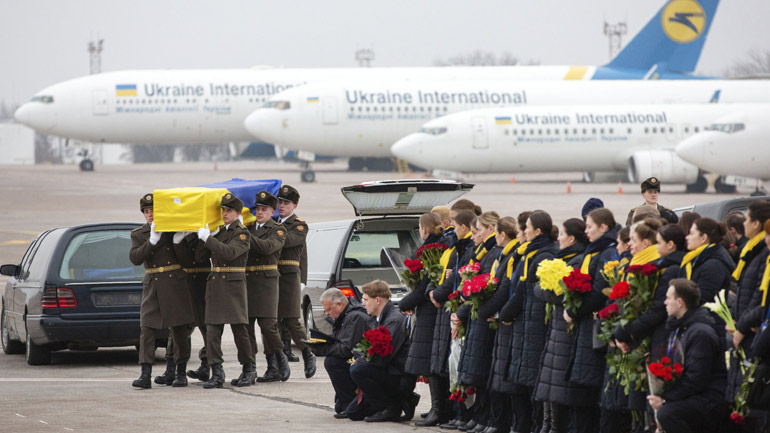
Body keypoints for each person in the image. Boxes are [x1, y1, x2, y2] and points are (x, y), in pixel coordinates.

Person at [601, 218, 663, 432]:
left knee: (644, 407)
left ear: (646, 243)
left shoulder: (652, 266)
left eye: (633, 240)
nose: (629, 245)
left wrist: (625, 334)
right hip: (631, 338)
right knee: (634, 407)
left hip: (642, 342)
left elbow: (648, 309)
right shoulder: (636, 265)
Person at [129, 193, 196, 389]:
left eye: (153, 211)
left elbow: (186, 260)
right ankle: (145, 374)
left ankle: (180, 372)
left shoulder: (170, 230)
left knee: (178, 330)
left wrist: (178, 241)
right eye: (146, 212)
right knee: (147, 329)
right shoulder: (139, 234)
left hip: (174, 282)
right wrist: (151, 241)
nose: (150, 215)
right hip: (152, 283)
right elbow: (135, 258)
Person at [500, 210, 558, 433]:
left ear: (538, 230)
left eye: (527, 227)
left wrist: (504, 314)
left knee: (531, 385)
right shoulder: (530, 253)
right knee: (520, 384)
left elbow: (525, 292)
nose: (523, 231)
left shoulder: (543, 255)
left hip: (533, 325)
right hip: (525, 324)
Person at [564, 208, 620, 433]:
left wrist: (573, 311)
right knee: (581, 389)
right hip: (586, 327)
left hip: (594, 326)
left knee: (587, 390)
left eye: (589, 226)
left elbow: (598, 292)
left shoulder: (606, 252)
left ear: (603, 227)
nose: (586, 231)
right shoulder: (593, 250)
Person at [647, 279, 728, 433]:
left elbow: (697, 378)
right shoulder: (681, 328)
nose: (665, 302)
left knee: (667, 413)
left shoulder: (700, 333)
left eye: (668, 298)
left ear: (680, 302)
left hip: (710, 398)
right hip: (696, 394)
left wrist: (665, 399)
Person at [534, 217, 589, 433]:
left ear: (572, 238)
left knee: (557, 384)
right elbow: (541, 289)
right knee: (549, 381)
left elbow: (559, 294)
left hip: (565, 330)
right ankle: (548, 426)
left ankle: (554, 427)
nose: (559, 238)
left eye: (563, 234)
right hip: (557, 328)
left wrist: (543, 290)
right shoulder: (564, 258)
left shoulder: (576, 260)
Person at [194, 193, 252, 389]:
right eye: (223, 210)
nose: (225, 214)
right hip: (216, 285)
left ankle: (248, 369)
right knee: (212, 331)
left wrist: (209, 239)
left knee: (240, 331)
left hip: (233, 286)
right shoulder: (220, 233)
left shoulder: (242, 233)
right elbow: (200, 256)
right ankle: (216, 372)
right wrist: (203, 237)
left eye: (229, 211)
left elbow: (230, 253)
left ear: (237, 213)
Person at [428, 209, 476, 430]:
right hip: (455, 311)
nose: (452, 229)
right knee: (453, 364)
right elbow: (445, 275)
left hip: (460, 313)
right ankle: (458, 413)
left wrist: (438, 295)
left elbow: (461, 281)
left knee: (459, 365)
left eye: (456, 226)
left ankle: (464, 413)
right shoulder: (459, 248)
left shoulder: (467, 250)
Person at [455, 211, 502, 431]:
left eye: (478, 231)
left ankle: (485, 417)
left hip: (484, 319)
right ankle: (480, 415)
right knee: (479, 372)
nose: (474, 236)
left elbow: (491, 288)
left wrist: (467, 307)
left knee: (484, 372)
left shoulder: (492, 254)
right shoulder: (484, 252)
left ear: (491, 230)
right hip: (478, 317)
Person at [615, 223, 687, 358]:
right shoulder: (662, 265)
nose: (657, 246)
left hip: (659, 333)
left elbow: (658, 307)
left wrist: (629, 330)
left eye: (659, 243)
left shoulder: (670, 269)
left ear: (670, 244)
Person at [725, 201, 770, 417]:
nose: (744, 222)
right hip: (744, 328)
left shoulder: (761, 252)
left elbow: (761, 298)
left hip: (751, 333)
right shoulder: (751, 250)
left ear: (757, 223)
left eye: (747, 218)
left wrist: (743, 325)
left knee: (751, 401)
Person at [400, 213, 445, 426]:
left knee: (432, 362)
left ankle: (439, 409)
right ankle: (438, 408)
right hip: (429, 311)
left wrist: (404, 304)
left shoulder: (432, 250)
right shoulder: (437, 246)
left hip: (430, 313)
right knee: (432, 362)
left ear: (424, 229)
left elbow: (423, 286)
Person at [242, 190, 290, 385]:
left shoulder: (278, 230)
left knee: (268, 327)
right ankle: (250, 367)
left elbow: (266, 248)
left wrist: (244, 234)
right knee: (246, 328)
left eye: (264, 209)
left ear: (272, 211)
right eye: (258, 209)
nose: (260, 212)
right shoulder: (248, 228)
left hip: (266, 283)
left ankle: (279, 359)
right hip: (247, 282)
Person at [480, 215, 523, 433]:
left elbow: (505, 290)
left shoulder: (512, 256)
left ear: (502, 234)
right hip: (501, 317)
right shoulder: (507, 255)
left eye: (495, 233)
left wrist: (485, 311)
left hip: (506, 319)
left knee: (504, 376)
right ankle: (498, 421)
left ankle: (502, 422)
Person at [348, 280, 412, 422]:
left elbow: (384, 357)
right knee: (352, 412)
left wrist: (362, 360)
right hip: (386, 373)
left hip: (397, 376)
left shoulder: (394, 320)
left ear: (377, 300)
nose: (363, 303)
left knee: (357, 369)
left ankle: (391, 407)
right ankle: (403, 402)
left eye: (365, 299)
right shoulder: (377, 319)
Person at [275, 184, 316, 378]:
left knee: (292, 320)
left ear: (295, 205)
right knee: (272, 322)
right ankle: (278, 362)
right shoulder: (272, 222)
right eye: (279, 202)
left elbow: (292, 245)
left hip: (290, 277)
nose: (281, 206)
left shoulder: (299, 225)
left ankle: (308, 353)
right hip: (272, 277)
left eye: (286, 203)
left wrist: (303, 278)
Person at [311, 288, 369, 418]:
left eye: (329, 309)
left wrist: (322, 349)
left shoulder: (355, 317)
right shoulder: (345, 317)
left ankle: (350, 400)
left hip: (361, 363)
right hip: (356, 361)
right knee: (339, 407)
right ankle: (347, 401)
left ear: (340, 305)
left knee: (332, 362)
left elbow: (345, 349)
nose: (327, 313)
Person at [680, 217, 735, 305]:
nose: (687, 237)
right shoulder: (698, 258)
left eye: (691, 233)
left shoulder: (714, 264)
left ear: (704, 238)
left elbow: (704, 299)